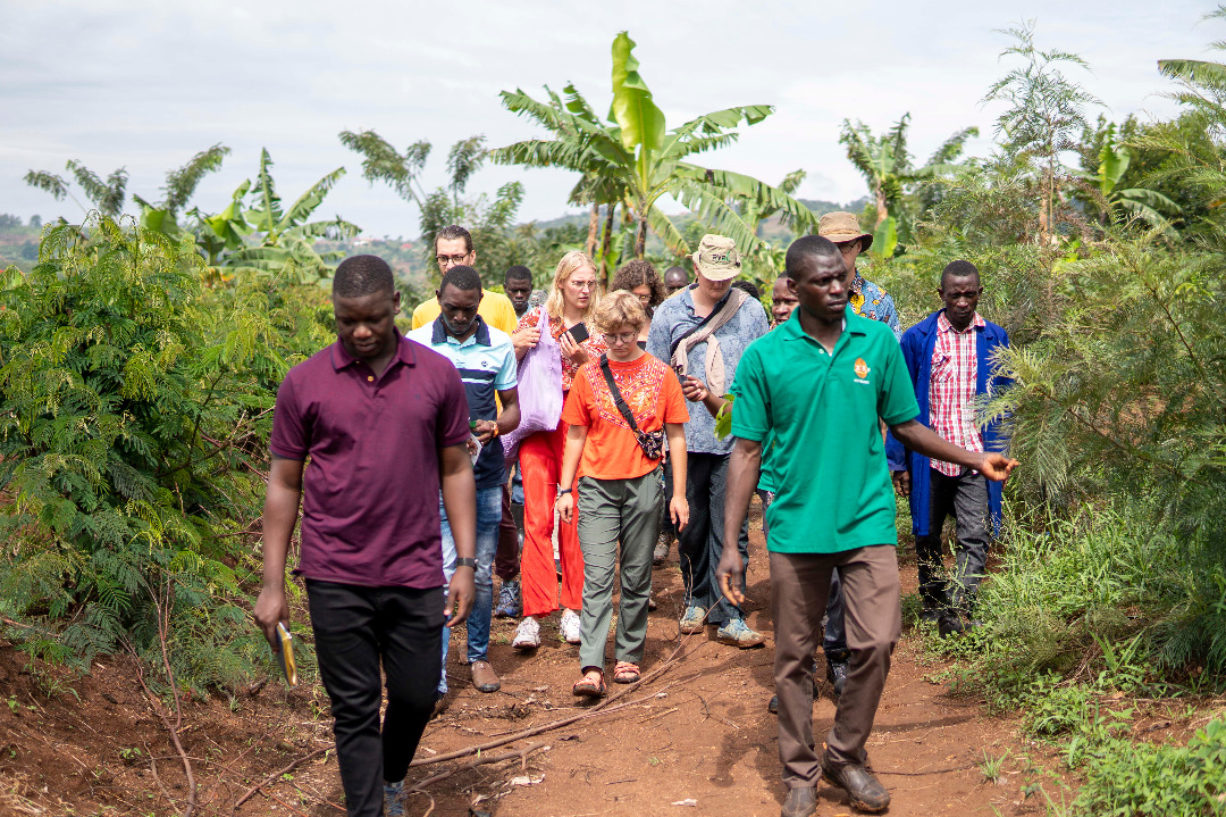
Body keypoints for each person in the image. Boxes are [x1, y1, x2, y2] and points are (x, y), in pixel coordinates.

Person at [716, 236, 1017, 817]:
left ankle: (845, 753)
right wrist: (730, 543)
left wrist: (974, 458)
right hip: (796, 527)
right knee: (794, 657)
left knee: (877, 640)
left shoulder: (876, 342)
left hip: (867, 520)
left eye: (842, 278)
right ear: (795, 287)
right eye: (824, 281)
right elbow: (746, 451)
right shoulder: (765, 358)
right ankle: (800, 773)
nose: (838, 287)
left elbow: (906, 425)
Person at [255, 255, 477, 817]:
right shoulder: (304, 383)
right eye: (346, 320)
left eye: (372, 319)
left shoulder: (435, 375)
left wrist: (466, 563)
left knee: (417, 693)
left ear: (396, 307)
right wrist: (272, 582)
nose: (359, 331)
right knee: (352, 709)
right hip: (335, 574)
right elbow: (284, 483)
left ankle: (392, 775)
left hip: (414, 570)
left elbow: (455, 469)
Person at [555, 291, 690, 696]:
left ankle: (629, 654)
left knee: (636, 574)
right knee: (596, 577)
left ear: (639, 330)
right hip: (595, 486)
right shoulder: (588, 375)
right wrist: (566, 488)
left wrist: (678, 495)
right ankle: (593, 665)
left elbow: (677, 437)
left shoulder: (662, 375)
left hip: (645, 485)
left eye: (627, 334)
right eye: (611, 335)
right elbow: (576, 434)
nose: (618, 342)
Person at [646, 234, 770, 648]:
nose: (717, 284)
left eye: (725, 277)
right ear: (695, 267)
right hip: (684, 439)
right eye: (710, 276)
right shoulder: (669, 313)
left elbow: (762, 370)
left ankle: (731, 610)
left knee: (731, 528)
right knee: (691, 527)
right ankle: (697, 597)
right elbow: (654, 374)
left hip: (736, 437)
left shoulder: (751, 311)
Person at [408, 265, 520, 696]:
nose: (459, 317)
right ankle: (433, 679)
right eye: (452, 308)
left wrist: (497, 426)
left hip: (486, 476)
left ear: (480, 304)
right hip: (431, 478)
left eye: (469, 310)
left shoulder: (500, 344)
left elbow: (513, 408)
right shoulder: (415, 346)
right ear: (438, 298)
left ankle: (477, 656)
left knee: (481, 572)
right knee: (438, 574)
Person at [889, 260, 1011, 636]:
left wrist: (1002, 450)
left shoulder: (995, 337)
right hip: (928, 460)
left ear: (979, 294)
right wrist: (900, 463)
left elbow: (1006, 400)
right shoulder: (917, 338)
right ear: (940, 294)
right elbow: (900, 405)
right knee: (926, 532)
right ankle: (932, 600)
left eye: (969, 293)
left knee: (975, 534)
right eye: (954, 294)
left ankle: (958, 609)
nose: (962, 301)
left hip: (977, 456)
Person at [812, 211, 905, 698]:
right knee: (812, 566)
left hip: (863, 451)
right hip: (812, 453)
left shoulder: (879, 304)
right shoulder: (802, 294)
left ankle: (844, 655)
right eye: (832, 246)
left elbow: (893, 384)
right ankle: (808, 661)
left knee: (854, 562)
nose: (840, 254)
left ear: (859, 250)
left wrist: (888, 455)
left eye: (848, 246)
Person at [509, 251, 608, 650]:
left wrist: (584, 359)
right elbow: (506, 366)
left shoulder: (600, 325)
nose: (585, 290)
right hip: (539, 423)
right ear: (561, 283)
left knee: (575, 516)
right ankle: (532, 614)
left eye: (590, 283)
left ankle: (572, 609)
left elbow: (609, 382)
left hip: (579, 426)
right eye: (578, 282)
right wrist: (516, 346)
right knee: (535, 518)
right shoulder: (536, 319)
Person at [494, 264, 544, 620]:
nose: (519, 295)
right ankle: (510, 579)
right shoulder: (496, 316)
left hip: (532, 417)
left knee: (527, 496)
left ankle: (530, 574)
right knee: (500, 500)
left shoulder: (540, 316)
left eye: (524, 290)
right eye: (514, 289)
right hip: (498, 420)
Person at [411, 225, 518, 334]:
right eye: (443, 258)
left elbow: (511, 348)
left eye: (457, 258)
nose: (449, 266)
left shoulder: (499, 306)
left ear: (472, 257)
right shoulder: (422, 314)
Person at [609, 259, 668, 346]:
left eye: (644, 297)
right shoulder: (611, 319)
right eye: (633, 295)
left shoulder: (659, 322)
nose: (637, 302)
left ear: (652, 296)